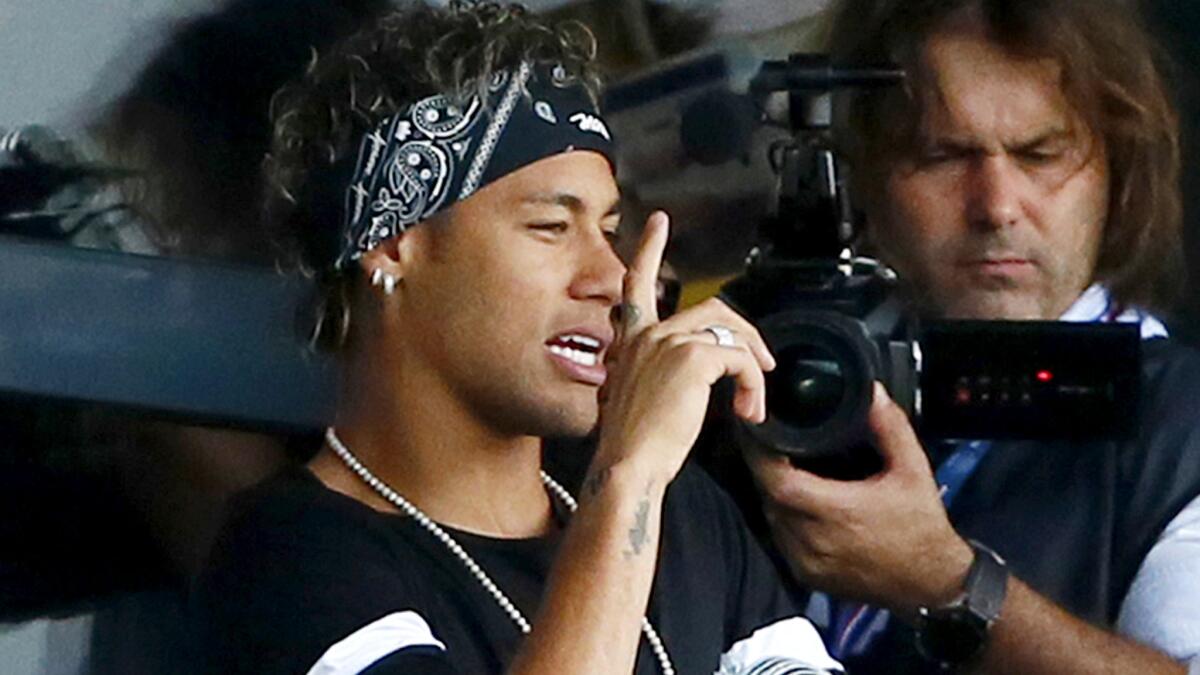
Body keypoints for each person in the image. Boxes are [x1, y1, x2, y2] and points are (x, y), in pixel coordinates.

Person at [193, 3, 842, 674]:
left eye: (609, 230)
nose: (610, 278)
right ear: (390, 244)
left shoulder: (678, 508)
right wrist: (628, 479)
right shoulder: (289, 557)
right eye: (550, 228)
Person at [745, 0, 1200, 673]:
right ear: (862, 174)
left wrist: (948, 585)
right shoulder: (777, 368)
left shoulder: (1182, 415)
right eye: (943, 155)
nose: (997, 205)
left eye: (1040, 154)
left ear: (1118, 172)